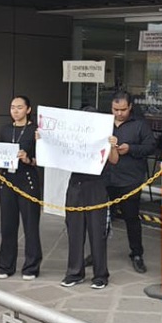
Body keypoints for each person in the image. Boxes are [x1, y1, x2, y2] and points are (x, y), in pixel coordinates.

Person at [59, 113, 119, 289]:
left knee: (97, 231)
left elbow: (114, 160)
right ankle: (74, 273)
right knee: (74, 231)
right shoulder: (71, 135)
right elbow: (57, 152)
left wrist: (113, 145)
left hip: (97, 185)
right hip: (76, 185)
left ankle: (100, 275)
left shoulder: (105, 135)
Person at [106, 91, 158, 274]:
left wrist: (130, 148)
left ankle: (137, 253)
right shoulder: (104, 123)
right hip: (106, 177)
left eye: (123, 110)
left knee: (131, 218)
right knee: (103, 218)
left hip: (130, 178)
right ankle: (98, 252)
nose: (119, 113)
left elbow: (151, 146)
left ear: (130, 107)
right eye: (115, 109)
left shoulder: (140, 125)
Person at [0, 95, 43, 280]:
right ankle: (6, 265)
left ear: (28, 110)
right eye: (13, 107)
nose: (15, 111)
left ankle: (31, 266)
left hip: (27, 180)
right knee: (7, 225)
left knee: (30, 225)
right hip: (7, 181)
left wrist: (28, 159)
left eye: (20, 107)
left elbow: (43, 159)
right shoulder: (5, 130)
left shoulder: (35, 130)